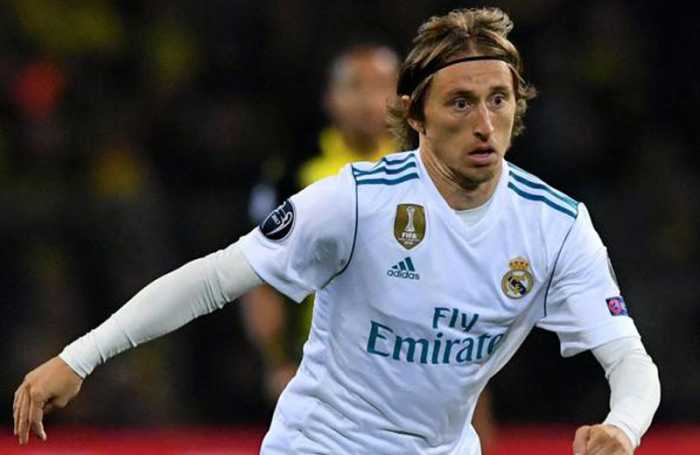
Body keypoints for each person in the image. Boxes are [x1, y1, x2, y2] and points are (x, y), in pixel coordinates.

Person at [13, 7, 660, 455]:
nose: (484, 123)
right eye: (460, 102)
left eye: (499, 99)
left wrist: (623, 427)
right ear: (416, 115)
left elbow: (628, 358)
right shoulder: (355, 199)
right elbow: (215, 278)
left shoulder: (556, 225)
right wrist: (81, 356)